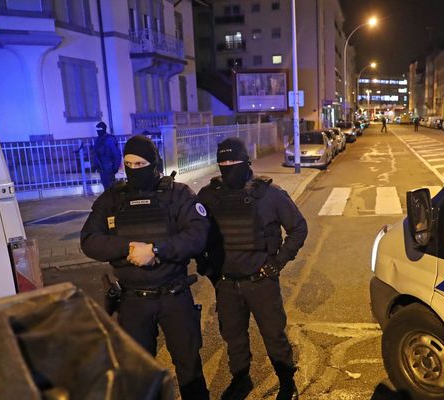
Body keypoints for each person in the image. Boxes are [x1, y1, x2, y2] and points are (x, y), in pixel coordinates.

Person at [80, 135, 210, 399]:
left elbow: (197, 235)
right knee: (138, 378)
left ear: (154, 163)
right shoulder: (113, 200)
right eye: (128, 164)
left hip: (174, 296)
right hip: (133, 301)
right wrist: (127, 249)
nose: (134, 169)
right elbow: (89, 240)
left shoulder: (178, 194)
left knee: (190, 370)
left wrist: (155, 250)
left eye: (140, 163)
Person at [197, 138, 308, 400]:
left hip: (261, 281)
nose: (227, 167)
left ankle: (286, 381)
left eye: (232, 162)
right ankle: (241, 379)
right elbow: (195, 233)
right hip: (225, 282)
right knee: (233, 336)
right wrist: (206, 265)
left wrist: (278, 262)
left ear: (246, 162)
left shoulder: (270, 194)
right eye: (222, 163)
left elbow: (298, 228)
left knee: (273, 335)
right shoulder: (209, 196)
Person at [92, 121, 121, 190]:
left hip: (109, 166)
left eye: (100, 129)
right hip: (101, 167)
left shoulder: (109, 139)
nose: (98, 131)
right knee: (105, 185)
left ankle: (113, 200)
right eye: (97, 130)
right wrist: (95, 165)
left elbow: (116, 154)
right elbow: (95, 153)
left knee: (111, 186)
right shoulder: (97, 140)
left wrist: (116, 167)